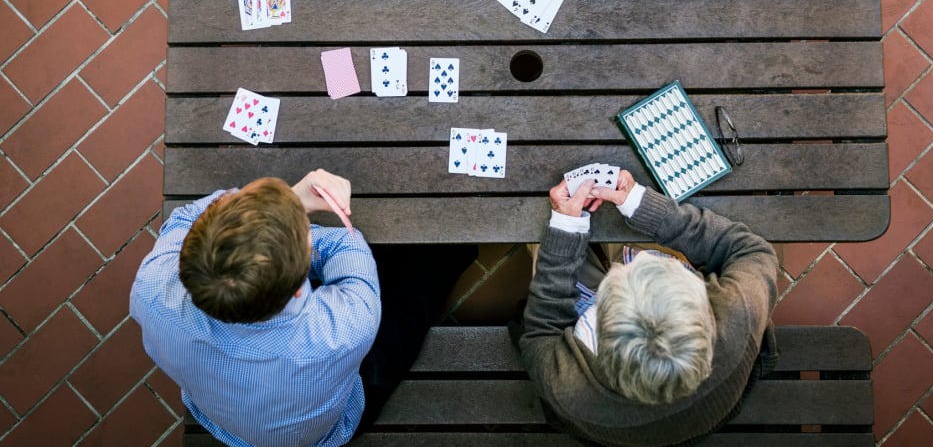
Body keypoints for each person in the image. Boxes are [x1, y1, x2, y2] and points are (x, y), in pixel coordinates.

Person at [130, 170, 474, 446]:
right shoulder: (343, 328)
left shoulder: (150, 289)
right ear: (299, 292)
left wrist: (279, 218)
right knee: (417, 288)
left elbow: (187, 216)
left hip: (228, 425)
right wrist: (291, 209)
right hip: (328, 430)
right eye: (306, 239)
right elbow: (349, 244)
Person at [514, 170, 779, 447]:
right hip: (701, 413)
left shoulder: (566, 387)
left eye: (615, 285)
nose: (624, 266)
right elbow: (753, 252)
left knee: (546, 234)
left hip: (610, 425)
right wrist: (641, 205)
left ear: (600, 334)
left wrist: (565, 227)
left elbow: (541, 334)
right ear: (704, 310)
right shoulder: (738, 317)